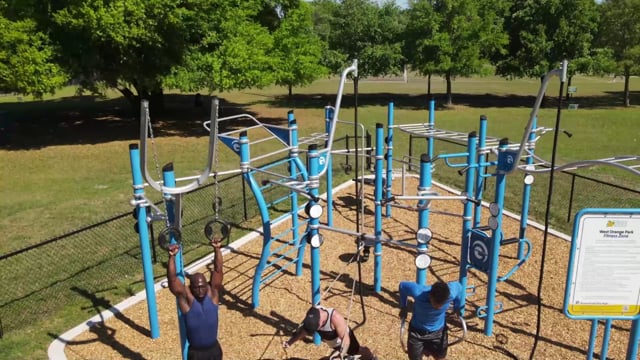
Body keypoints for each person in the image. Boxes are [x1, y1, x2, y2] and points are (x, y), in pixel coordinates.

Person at [167, 237, 224, 360]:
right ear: (191, 287)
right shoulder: (186, 299)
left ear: (206, 285)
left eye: (202, 287)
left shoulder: (212, 293)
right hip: (196, 353)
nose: (200, 290)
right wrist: (172, 257)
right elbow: (172, 280)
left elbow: (218, 270)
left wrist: (217, 249)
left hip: (214, 350)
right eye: (196, 288)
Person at [398, 280, 464, 360]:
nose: (438, 307)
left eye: (441, 304)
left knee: (440, 357)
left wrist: (457, 306)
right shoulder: (419, 292)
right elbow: (402, 286)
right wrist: (403, 307)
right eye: (435, 303)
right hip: (417, 333)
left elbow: (460, 288)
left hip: (438, 332)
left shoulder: (451, 293)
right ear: (430, 296)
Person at [283, 305, 376, 360]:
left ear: (321, 322)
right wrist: (290, 342)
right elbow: (303, 331)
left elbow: (346, 339)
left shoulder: (335, 318)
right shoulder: (312, 314)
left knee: (358, 351)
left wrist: (341, 355)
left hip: (345, 341)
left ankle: (371, 358)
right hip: (332, 342)